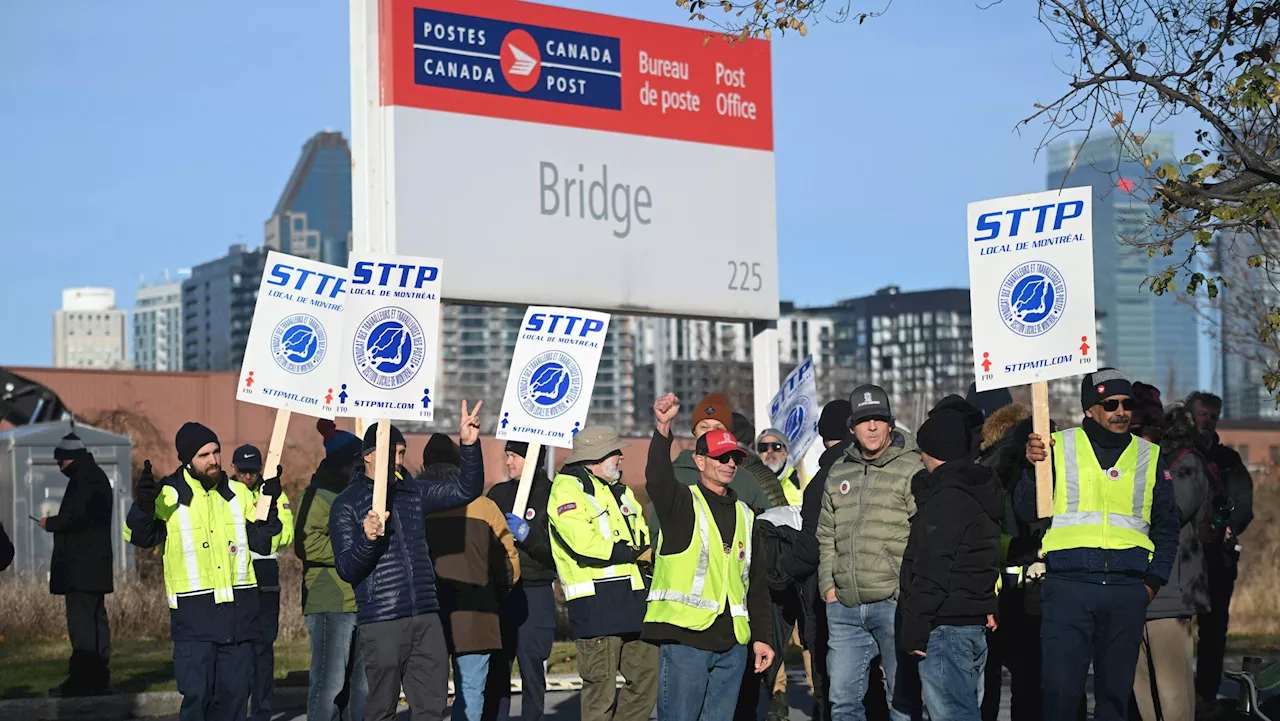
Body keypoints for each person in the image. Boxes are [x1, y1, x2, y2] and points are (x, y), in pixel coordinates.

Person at [1018, 369, 1179, 721]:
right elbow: (1025, 511)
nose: (1121, 411)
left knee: (1114, 699)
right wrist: (1032, 469)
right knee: (1060, 695)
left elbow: (1168, 526)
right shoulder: (1058, 446)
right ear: (1090, 409)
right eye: (1110, 404)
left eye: (1126, 404)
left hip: (1126, 589)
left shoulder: (1149, 456)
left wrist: (1152, 583)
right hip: (1068, 588)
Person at [330, 402, 486, 721]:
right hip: (382, 619)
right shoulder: (346, 504)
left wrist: (469, 446)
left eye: (402, 452)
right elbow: (347, 568)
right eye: (392, 451)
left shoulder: (411, 492)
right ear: (369, 454)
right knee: (381, 709)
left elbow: (465, 489)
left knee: (430, 708)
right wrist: (367, 540)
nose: (398, 460)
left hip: (426, 616)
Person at [125, 422, 284, 721]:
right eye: (203, 455)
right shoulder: (169, 494)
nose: (213, 460)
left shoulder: (239, 493)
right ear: (187, 460)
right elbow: (138, 537)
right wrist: (144, 507)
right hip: (194, 622)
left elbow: (264, 542)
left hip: (240, 620)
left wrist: (269, 502)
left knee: (235, 702)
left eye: (216, 451)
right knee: (198, 703)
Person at [642, 393, 775, 721]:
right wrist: (662, 427)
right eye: (720, 456)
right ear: (699, 461)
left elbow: (755, 585)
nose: (729, 463)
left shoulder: (746, 515)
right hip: (687, 641)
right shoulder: (682, 504)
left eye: (734, 457)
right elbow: (657, 478)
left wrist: (762, 638)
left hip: (732, 645)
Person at [818, 384, 921, 721]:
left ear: (891, 423)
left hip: (893, 606)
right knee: (843, 703)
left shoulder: (911, 468)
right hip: (845, 607)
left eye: (879, 419)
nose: (872, 427)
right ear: (852, 428)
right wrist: (829, 589)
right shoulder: (839, 471)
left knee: (902, 702)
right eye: (864, 421)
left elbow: (922, 535)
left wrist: (902, 593)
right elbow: (826, 534)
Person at [546, 425, 657, 721]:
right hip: (596, 608)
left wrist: (647, 555)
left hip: (632, 602)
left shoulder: (622, 491)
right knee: (601, 695)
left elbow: (642, 536)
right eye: (615, 452)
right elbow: (583, 543)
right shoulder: (567, 489)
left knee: (649, 677)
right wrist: (633, 552)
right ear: (595, 457)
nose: (621, 457)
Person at [898, 409, 1002, 721]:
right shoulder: (979, 491)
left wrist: (914, 626)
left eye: (923, 451)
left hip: (945, 627)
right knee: (966, 709)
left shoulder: (947, 499)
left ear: (936, 452)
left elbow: (933, 568)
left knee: (954, 714)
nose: (920, 459)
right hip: (969, 622)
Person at [420, 433, 520, 721]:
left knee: (427, 693)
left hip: (428, 614)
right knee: (471, 691)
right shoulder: (483, 506)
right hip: (477, 613)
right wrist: (494, 597)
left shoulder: (413, 503)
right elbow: (509, 563)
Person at [1133, 404, 1211, 721]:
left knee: (1173, 697)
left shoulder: (1185, 464)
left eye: (1141, 432)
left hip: (1169, 596)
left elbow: (1172, 511)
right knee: (1143, 696)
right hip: (1133, 595)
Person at [976, 403, 1045, 721]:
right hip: (1032, 577)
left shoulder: (984, 463)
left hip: (992, 583)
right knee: (1029, 677)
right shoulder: (1036, 457)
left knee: (988, 677)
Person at [1185, 391, 1254, 702]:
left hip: (1218, 560)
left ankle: (1206, 695)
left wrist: (1230, 526)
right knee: (1178, 631)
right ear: (1190, 416)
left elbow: (1244, 503)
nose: (1208, 421)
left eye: (1213, 416)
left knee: (1213, 634)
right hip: (1184, 560)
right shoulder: (1179, 455)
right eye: (1203, 414)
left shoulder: (1229, 460)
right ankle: (1179, 695)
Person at [294, 430, 368, 721]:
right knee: (329, 684)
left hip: (359, 599)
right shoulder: (318, 495)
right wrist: (354, 549)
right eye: (359, 460)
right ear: (347, 462)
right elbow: (307, 543)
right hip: (329, 599)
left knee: (360, 685)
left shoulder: (359, 493)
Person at [487, 441, 558, 721]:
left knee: (531, 668)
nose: (508, 462)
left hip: (535, 591)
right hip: (502, 592)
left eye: (514, 456)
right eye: (507, 456)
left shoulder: (551, 494)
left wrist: (529, 536)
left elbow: (558, 552)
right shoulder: (498, 493)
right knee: (498, 670)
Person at [42, 431, 114, 697]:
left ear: (68, 459)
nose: (60, 468)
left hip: (80, 568)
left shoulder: (84, 480)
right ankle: (99, 679)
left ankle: (82, 681)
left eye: (60, 462)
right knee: (96, 623)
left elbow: (74, 517)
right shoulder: (97, 477)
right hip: (96, 567)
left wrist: (51, 523)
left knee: (82, 626)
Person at [796, 399, 854, 721]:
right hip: (872, 591)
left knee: (833, 689)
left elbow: (811, 544)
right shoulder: (865, 470)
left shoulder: (821, 481)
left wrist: (782, 570)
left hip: (826, 592)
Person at [650, 393, 776, 537]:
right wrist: (664, 424)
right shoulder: (675, 474)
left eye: (718, 428)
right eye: (704, 427)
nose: (710, 433)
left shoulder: (745, 479)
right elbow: (656, 530)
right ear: (694, 432)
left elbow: (769, 525)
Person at [230, 444, 295, 721]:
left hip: (265, 578)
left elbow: (286, 535)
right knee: (235, 652)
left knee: (263, 649)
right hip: (235, 578)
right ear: (233, 469)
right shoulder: (226, 495)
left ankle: (262, 709)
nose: (248, 477)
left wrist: (262, 531)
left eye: (253, 472)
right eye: (243, 472)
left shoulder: (275, 494)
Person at [754, 427, 808, 719]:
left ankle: (819, 694)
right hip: (770, 572)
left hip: (802, 571)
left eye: (777, 447)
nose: (770, 453)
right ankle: (778, 696)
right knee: (772, 633)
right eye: (763, 447)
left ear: (787, 452)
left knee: (806, 637)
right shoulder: (751, 484)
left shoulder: (800, 481)